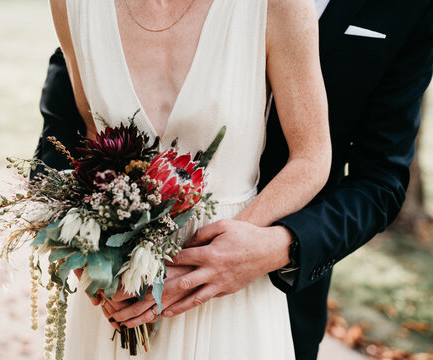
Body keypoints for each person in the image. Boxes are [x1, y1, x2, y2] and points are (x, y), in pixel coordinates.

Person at [33, 0, 433, 359]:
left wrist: (281, 244)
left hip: (264, 283)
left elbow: (379, 178)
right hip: (123, 290)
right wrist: (84, 240)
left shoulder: (404, 10)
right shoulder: (80, 7)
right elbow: (75, 130)